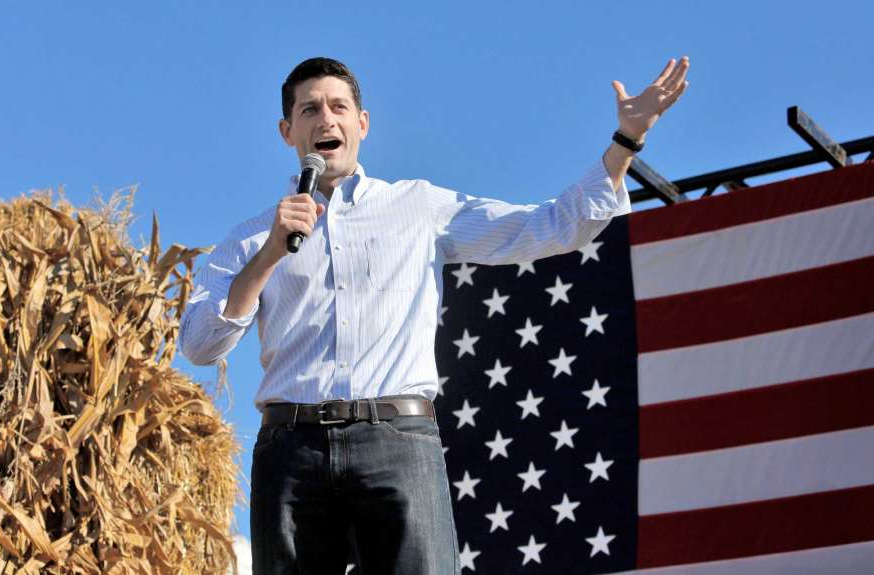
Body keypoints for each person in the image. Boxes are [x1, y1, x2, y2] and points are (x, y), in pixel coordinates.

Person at [179, 56, 689, 574]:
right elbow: (200, 344)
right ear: (289, 131)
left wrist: (626, 141)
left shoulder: (417, 206)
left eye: (339, 106)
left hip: (396, 442)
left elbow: (548, 227)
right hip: (292, 450)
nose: (326, 119)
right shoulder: (253, 237)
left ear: (363, 123)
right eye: (310, 109)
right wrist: (267, 257)